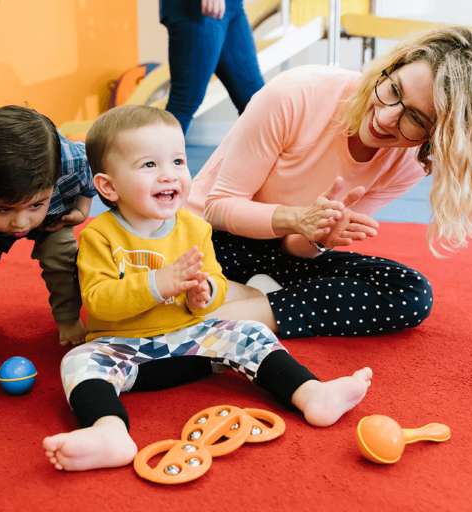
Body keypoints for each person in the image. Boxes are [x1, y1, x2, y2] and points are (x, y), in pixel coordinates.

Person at [42, 105, 373, 472]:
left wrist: (206, 295)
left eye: (178, 162)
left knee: (249, 332)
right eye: (149, 165)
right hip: (127, 352)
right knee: (79, 361)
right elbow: (100, 303)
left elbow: (213, 282)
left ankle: (312, 393)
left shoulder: (194, 228)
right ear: (108, 185)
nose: (169, 175)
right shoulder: (98, 236)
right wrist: (158, 283)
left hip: (192, 348)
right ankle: (108, 431)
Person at [185, 26, 472, 337]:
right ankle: (252, 298)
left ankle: (234, 310)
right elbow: (217, 208)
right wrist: (297, 219)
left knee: (409, 291)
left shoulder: (411, 163)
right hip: (206, 239)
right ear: (390, 68)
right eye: (394, 90)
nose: (386, 118)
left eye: (415, 118)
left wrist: (318, 239)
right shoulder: (297, 92)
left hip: (275, 253)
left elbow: (294, 249)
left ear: (437, 136)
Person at [0, 105, 97, 384]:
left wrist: (83, 210)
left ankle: (67, 317)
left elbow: (89, 175)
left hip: (55, 218)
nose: (20, 223)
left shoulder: (74, 161)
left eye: (33, 204)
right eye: (4, 209)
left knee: (62, 258)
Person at [160, 0, 265, 134]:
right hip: (195, 8)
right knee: (186, 100)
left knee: (256, 103)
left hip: (233, 6)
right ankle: (159, 154)